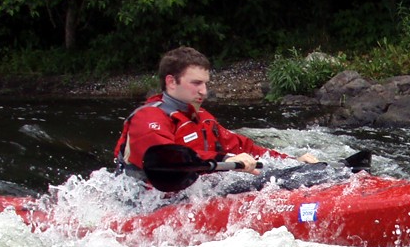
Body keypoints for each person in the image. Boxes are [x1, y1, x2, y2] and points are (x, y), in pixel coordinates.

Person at [114, 46, 318, 181]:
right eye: (196, 83)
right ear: (171, 81)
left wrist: (292, 162)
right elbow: (167, 158)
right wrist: (227, 158)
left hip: (194, 194)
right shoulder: (148, 118)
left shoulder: (202, 117)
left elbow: (245, 147)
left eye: (205, 83)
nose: (203, 90)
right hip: (151, 204)